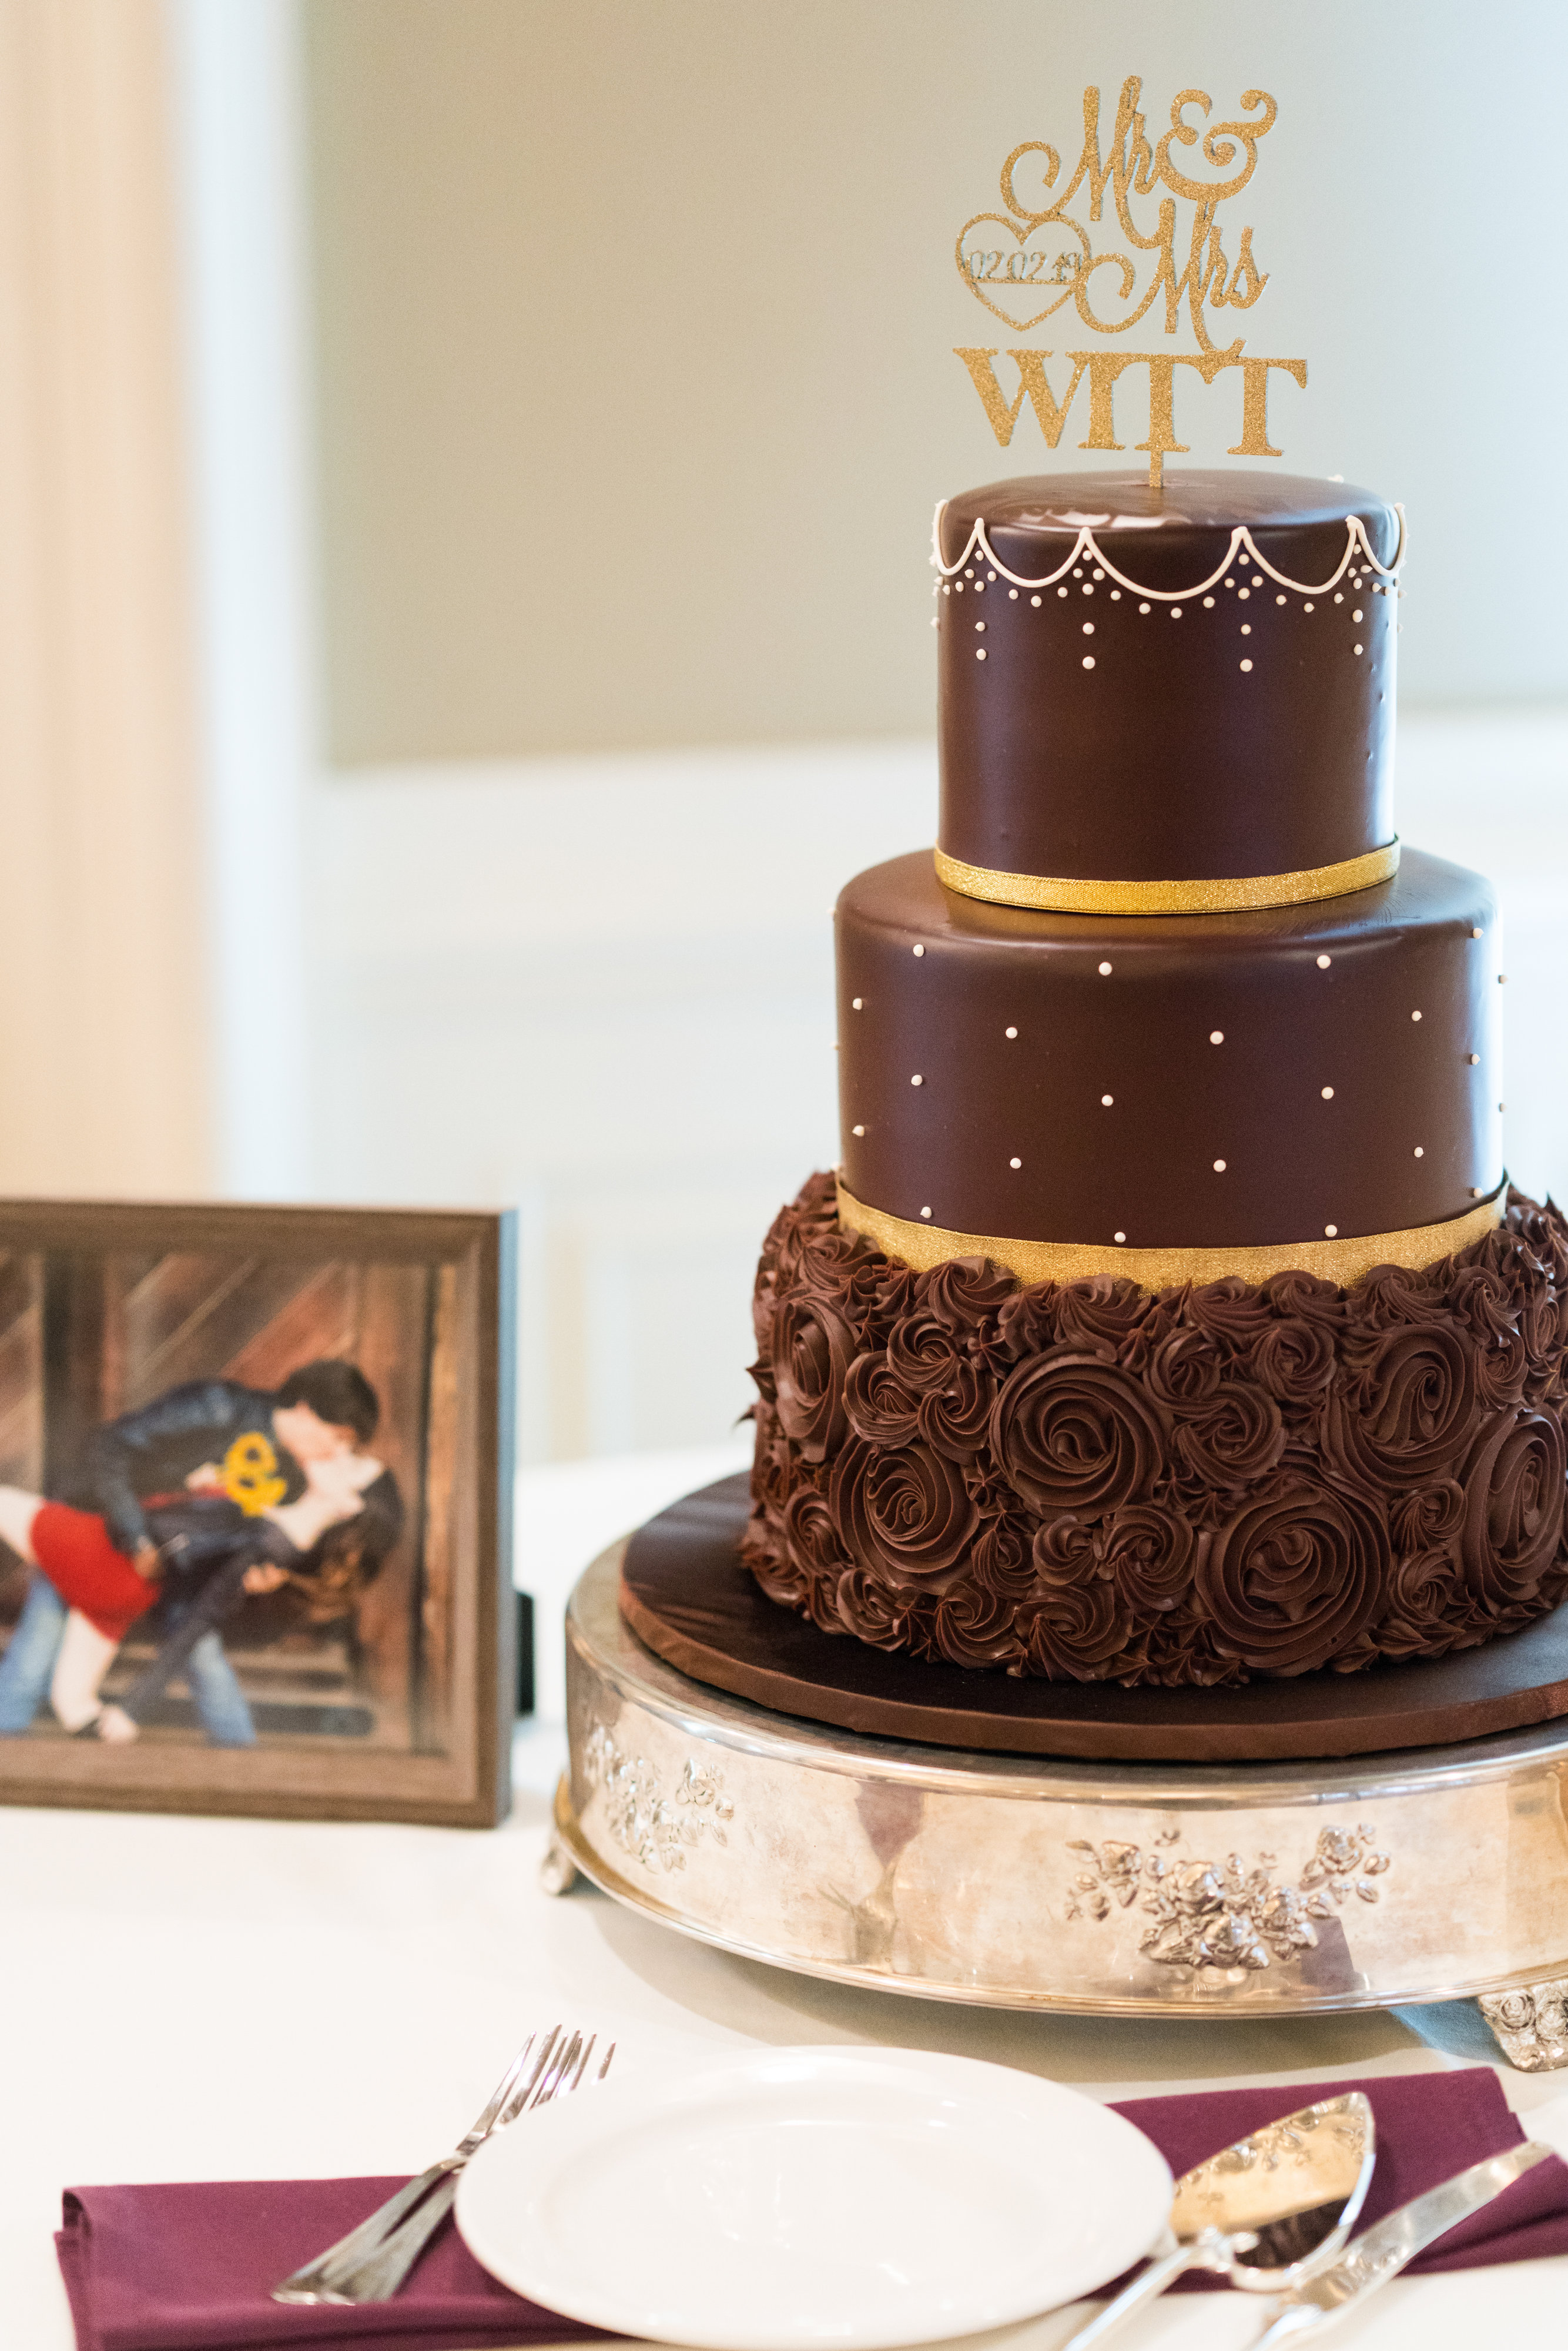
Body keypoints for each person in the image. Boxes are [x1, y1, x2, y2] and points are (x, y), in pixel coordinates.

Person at [0, 1358, 387, 1744]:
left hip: (169, 1572)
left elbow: (246, 1539)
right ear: (305, 1409)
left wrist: (265, 1575)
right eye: (337, 1437)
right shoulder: (216, 1407)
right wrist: (137, 1538)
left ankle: (242, 1769)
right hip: (93, 1531)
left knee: (201, 1653)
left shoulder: (297, 1474)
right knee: (34, 1657)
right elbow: (110, 1446)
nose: (336, 1453)